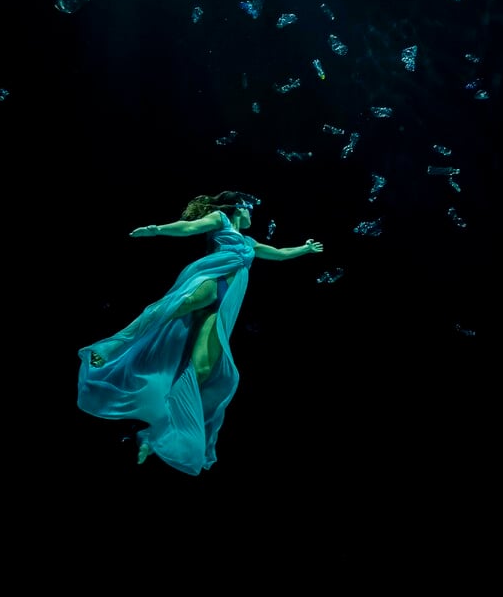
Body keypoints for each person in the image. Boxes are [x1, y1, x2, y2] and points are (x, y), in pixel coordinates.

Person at [77, 191, 324, 475]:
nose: (251, 214)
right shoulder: (221, 220)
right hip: (211, 280)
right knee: (172, 307)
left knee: (203, 369)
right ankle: (107, 350)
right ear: (237, 208)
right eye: (248, 209)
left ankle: (158, 433)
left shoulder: (249, 243)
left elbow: (278, 254)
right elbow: (189, 227)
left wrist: (304, 249)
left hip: (224, 305)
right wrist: (155, 229)